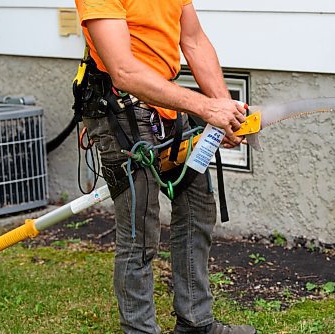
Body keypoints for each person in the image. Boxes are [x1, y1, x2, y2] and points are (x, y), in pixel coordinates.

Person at [74, 1, 256, 333]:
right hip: (120, 109)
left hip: (166, 105)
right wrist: (206, 106)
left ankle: (196, 323)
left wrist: (224, 111)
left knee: (197, 207)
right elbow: (124, 70)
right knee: (139, 230)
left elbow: (195, 40)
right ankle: (140, 329)